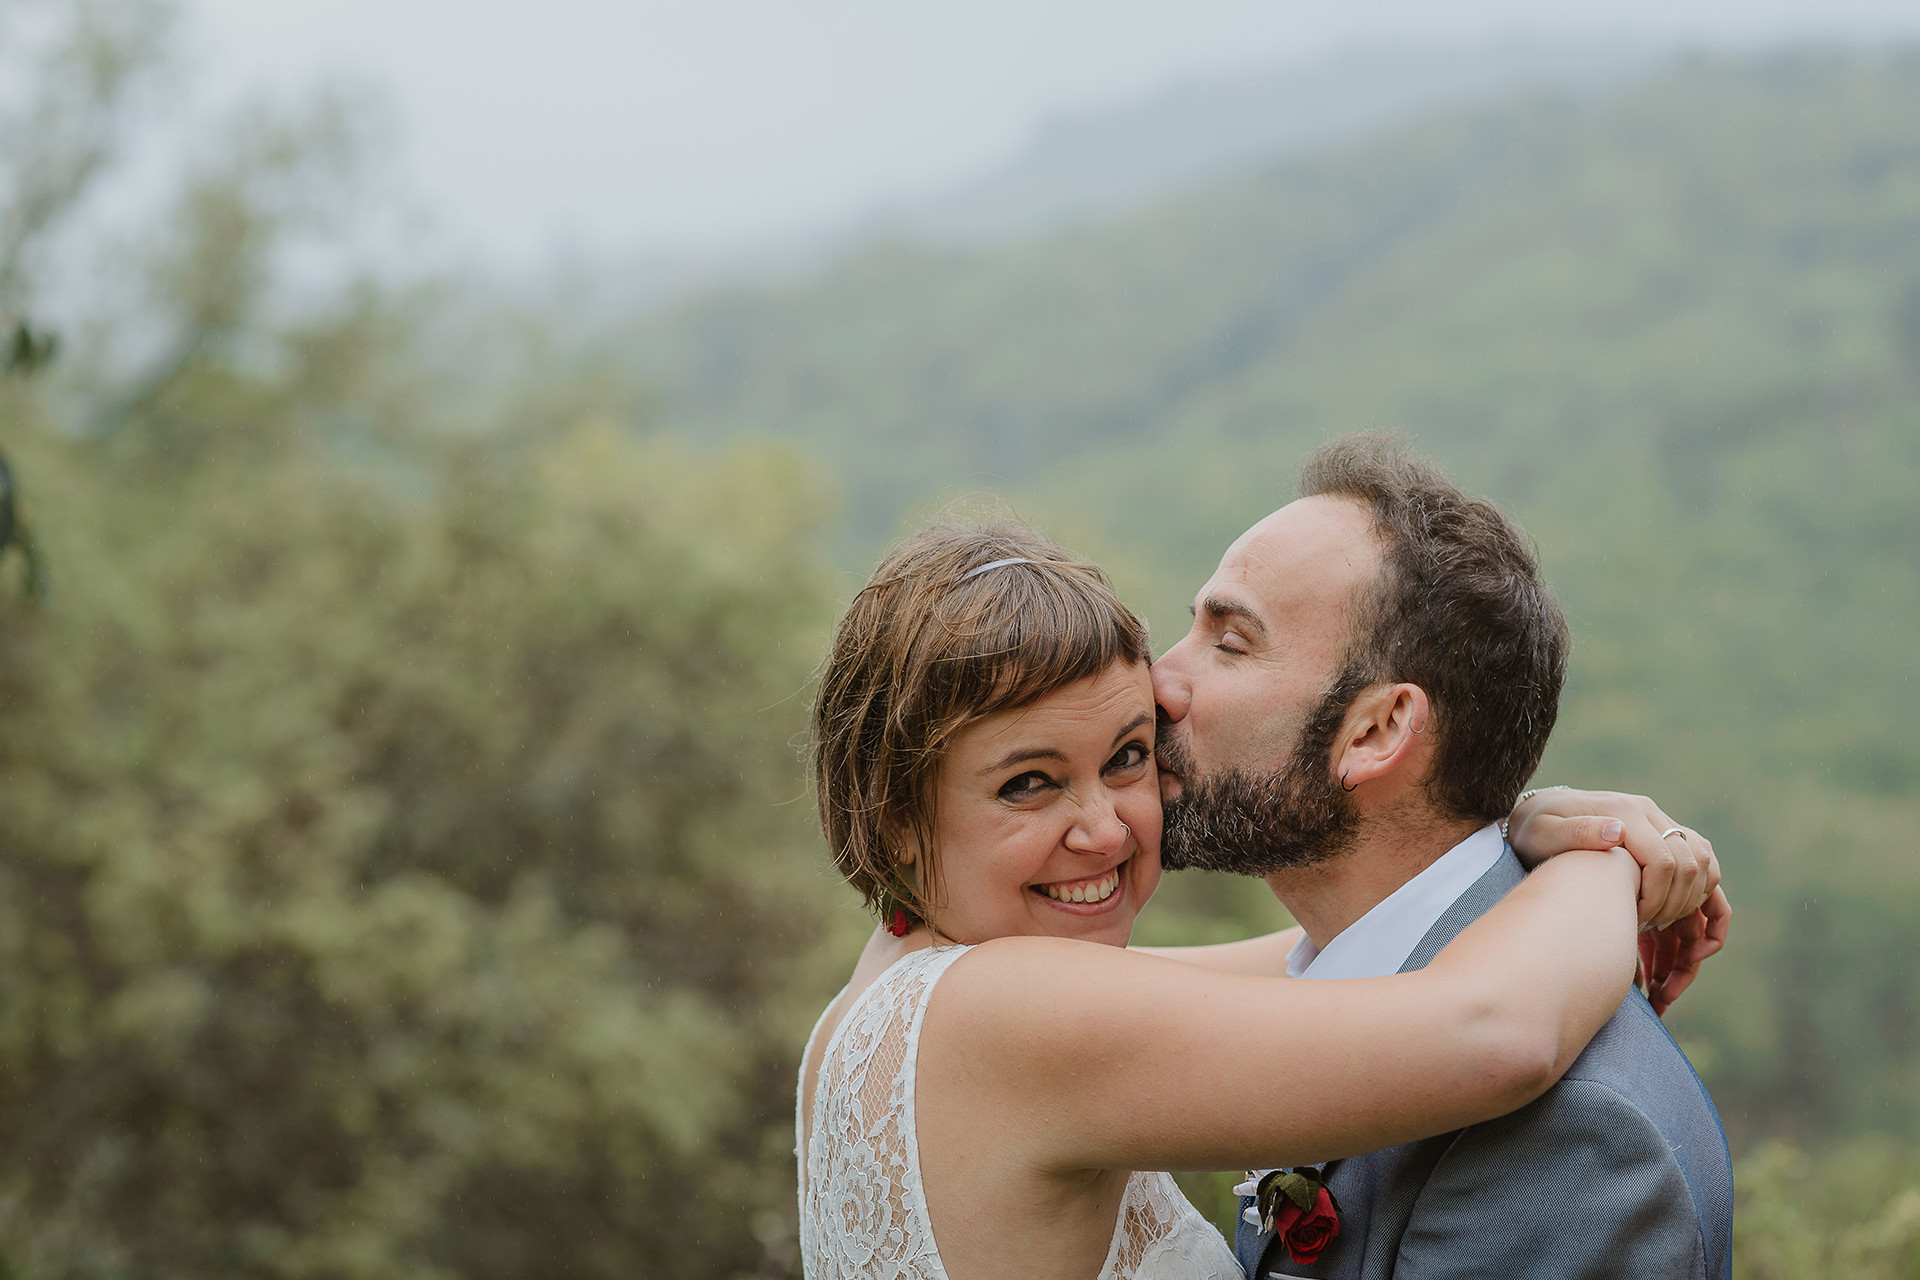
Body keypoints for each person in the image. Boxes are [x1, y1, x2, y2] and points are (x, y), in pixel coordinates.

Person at [797, 517, 1721, 1280]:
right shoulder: (1009, 1015)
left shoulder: (901, 985)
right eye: (1027, 784)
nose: (1109, 831)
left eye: (1126, 757)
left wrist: (1512, 828)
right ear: (897, 819)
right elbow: (1495, 1031)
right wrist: (1606, 864)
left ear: (1383, 729)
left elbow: (1341, 955)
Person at [1150, 434, 1733, 1280]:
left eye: (1229, 642)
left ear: (1379, 731)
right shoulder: (1350, 975)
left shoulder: (1571, 1141)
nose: (1160, 681)